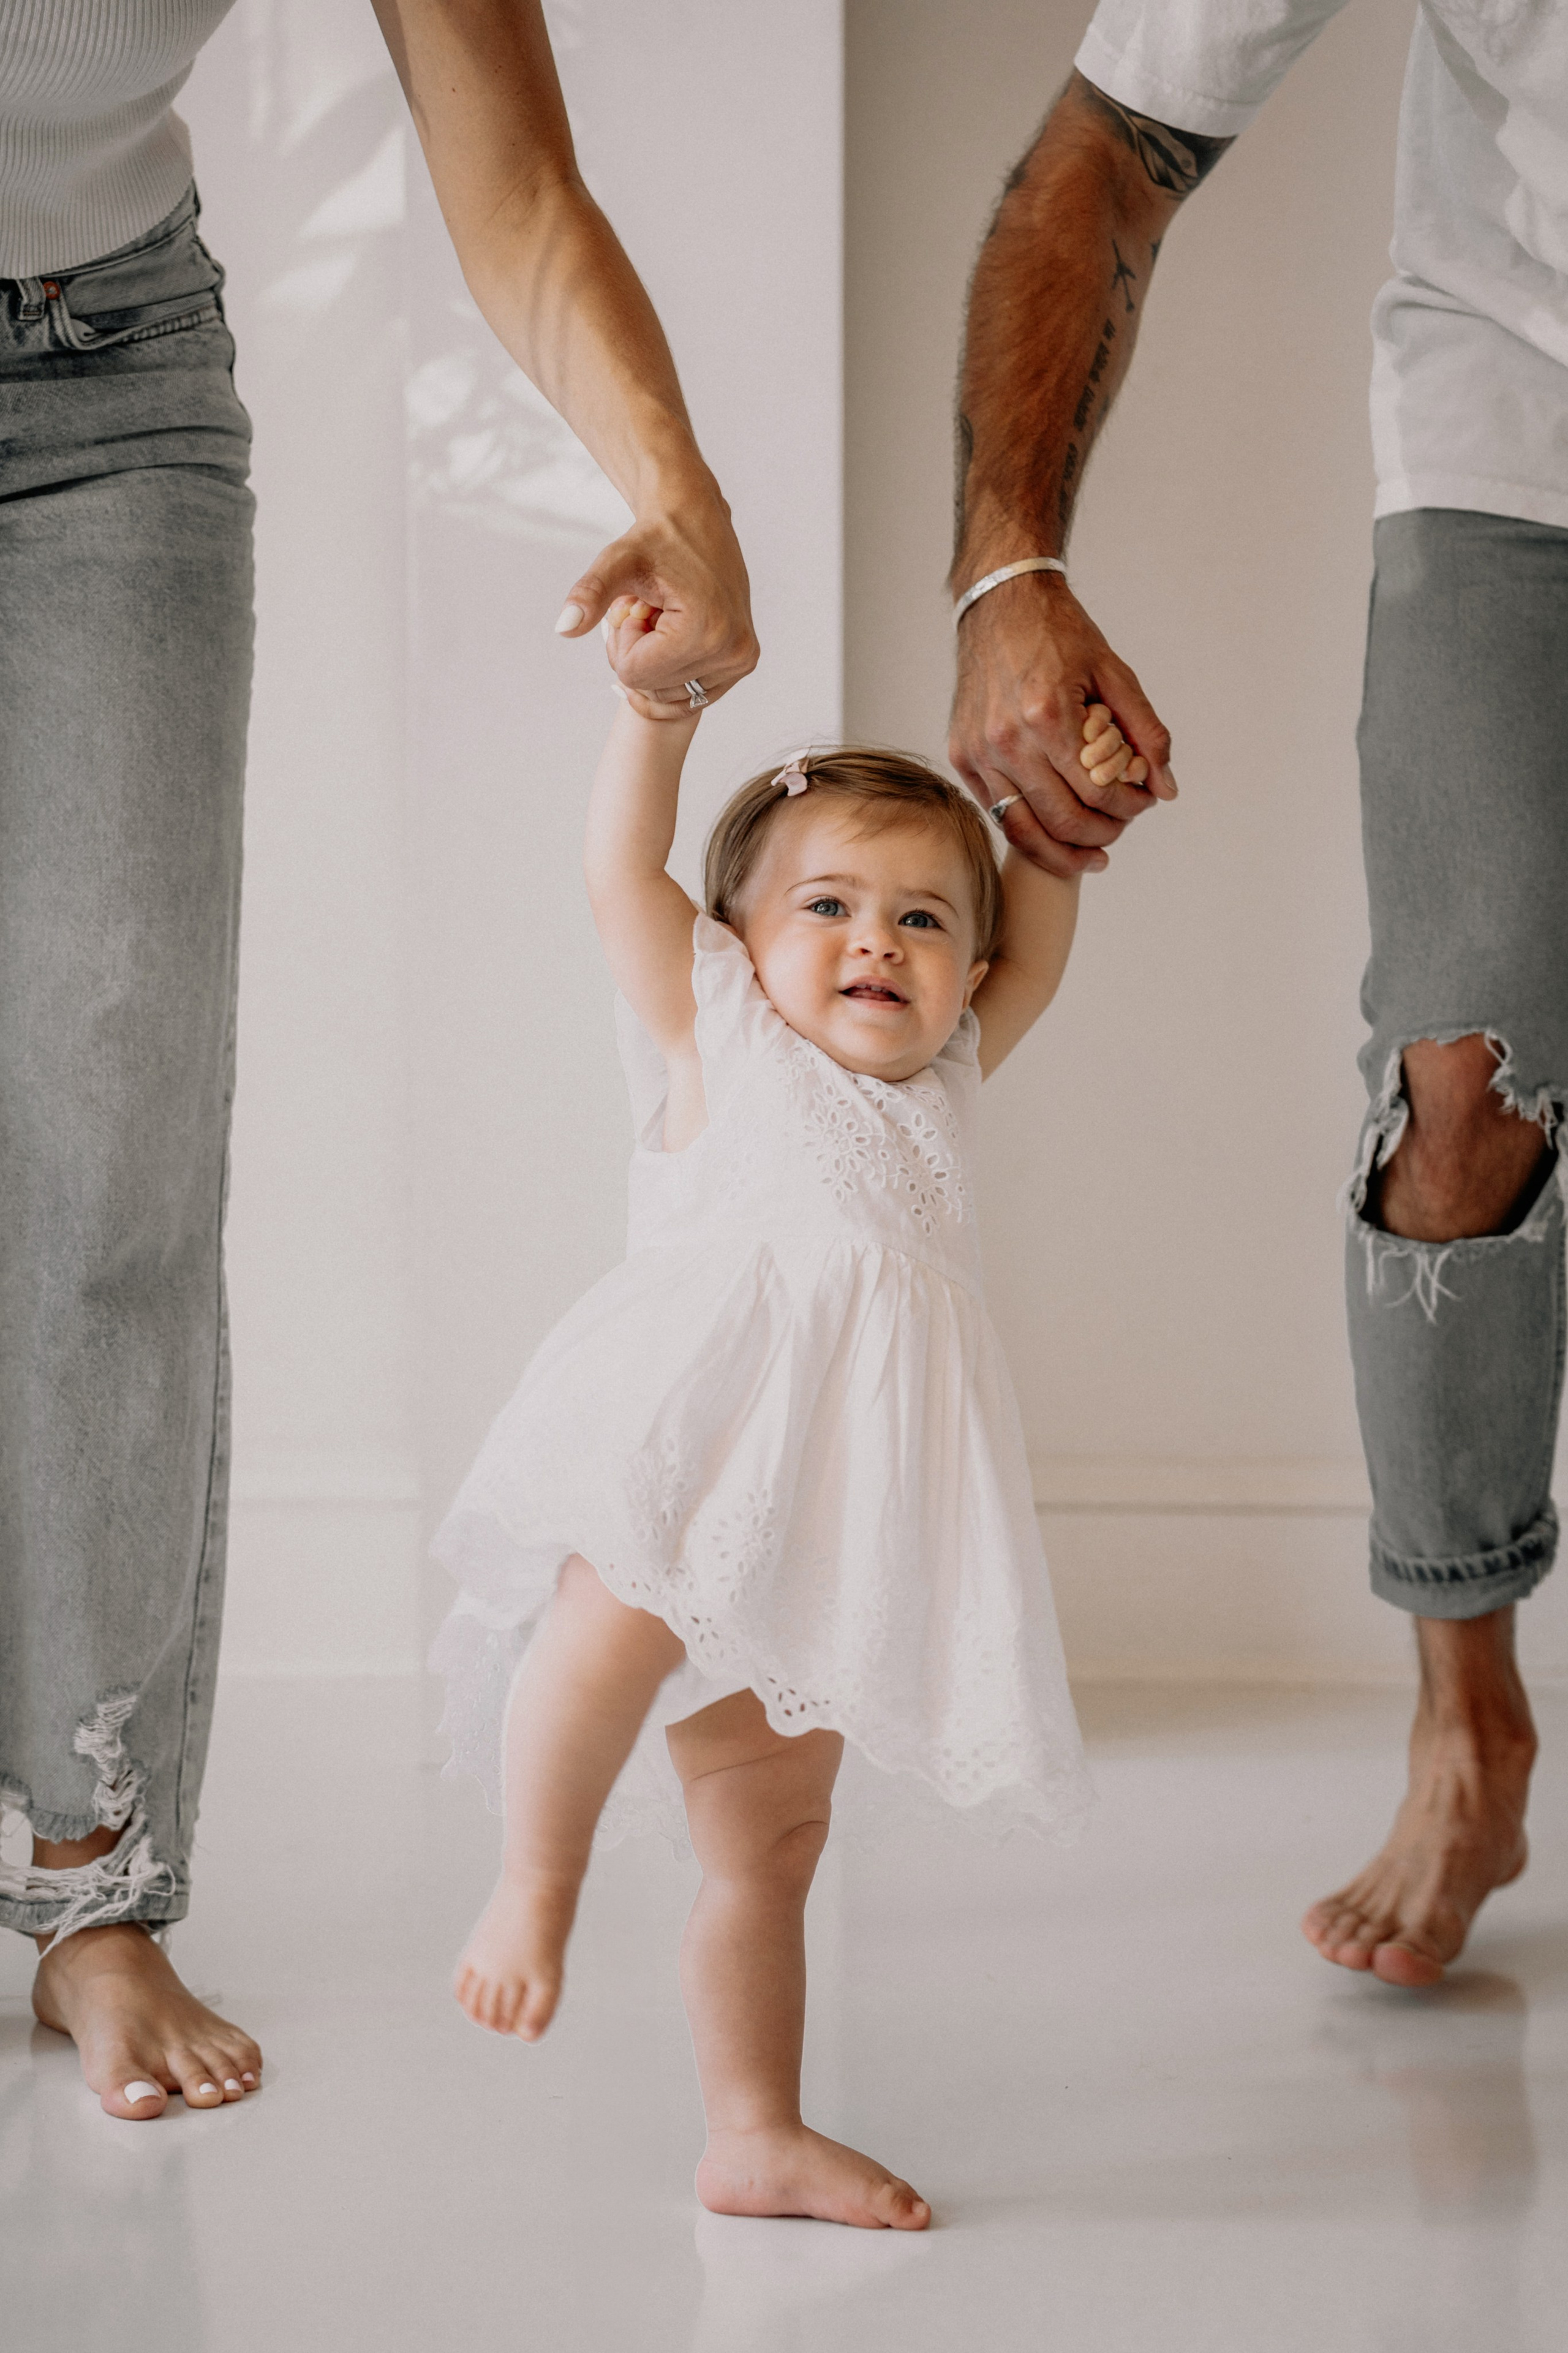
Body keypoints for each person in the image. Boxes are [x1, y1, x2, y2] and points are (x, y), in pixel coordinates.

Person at [0, 0, 755, 2124]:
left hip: (111, 381)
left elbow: (511, 182)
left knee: (110, 1148)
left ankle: (92, 1883)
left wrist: (676, 491)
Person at [947, 2, 1564, 1986]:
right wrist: (1003, 569)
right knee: (1457, 1082)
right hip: (1516, 426)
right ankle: (1464, 1704)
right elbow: (1100, 153)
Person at [431, 612, 1142, 2225]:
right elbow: (625, 874)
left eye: (920, 918)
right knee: (601, 1636)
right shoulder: (725, 1033)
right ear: (743, 941)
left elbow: (1039, 939)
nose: (876, 941)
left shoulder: (947, 1073)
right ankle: (532, 1881)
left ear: (967, 967)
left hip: (831, 1531)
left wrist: (1056, 823)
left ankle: (752, 2126)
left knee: (774, 1840)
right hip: (683, 1458)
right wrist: (656, 714)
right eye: (828, 906)